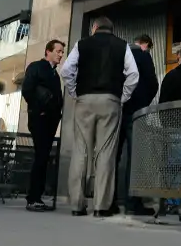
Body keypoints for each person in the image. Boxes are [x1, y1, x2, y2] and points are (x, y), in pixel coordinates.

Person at [61, 16, 139, 217]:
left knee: (81, 150)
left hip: (85, 100)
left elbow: (66, 70)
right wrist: (122, 97)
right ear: (111, 30)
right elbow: (133, 74)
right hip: (110, 101)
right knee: (106, 153)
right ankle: (101, 207)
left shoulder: (82, 44)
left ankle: (77, 206)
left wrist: (74, 92)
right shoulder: (122, 45)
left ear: (94, 27)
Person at [110, 34, 159, 216]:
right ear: (145, 44)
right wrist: (144, 101)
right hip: (136, 112)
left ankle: (110, 200)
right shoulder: (143, 55)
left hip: (116, 109)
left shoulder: (119, 54)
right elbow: (153, 83)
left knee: (113, 155)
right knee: (135, 156)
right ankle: (132, 202)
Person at [21, 39, 65, 212]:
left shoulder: (55, 74)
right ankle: (33, 198)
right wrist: (38, 110)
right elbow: (27, 90)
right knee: (41, 157)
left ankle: (36, 197)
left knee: (43, 157)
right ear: (48, 51)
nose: (61, 55)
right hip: (40, 118)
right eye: (58, 51)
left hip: (50, 120)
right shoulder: (36, 67)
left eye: (62, 52)